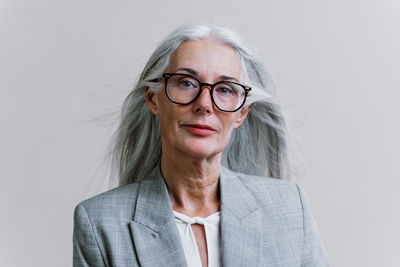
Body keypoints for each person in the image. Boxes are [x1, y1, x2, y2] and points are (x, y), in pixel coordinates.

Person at [73, 23, 329, 267]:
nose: (204, 104)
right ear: (153, 99)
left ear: (242, 112)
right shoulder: (100, 222)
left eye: (225, 89)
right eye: (186, 83)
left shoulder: (290, 208)